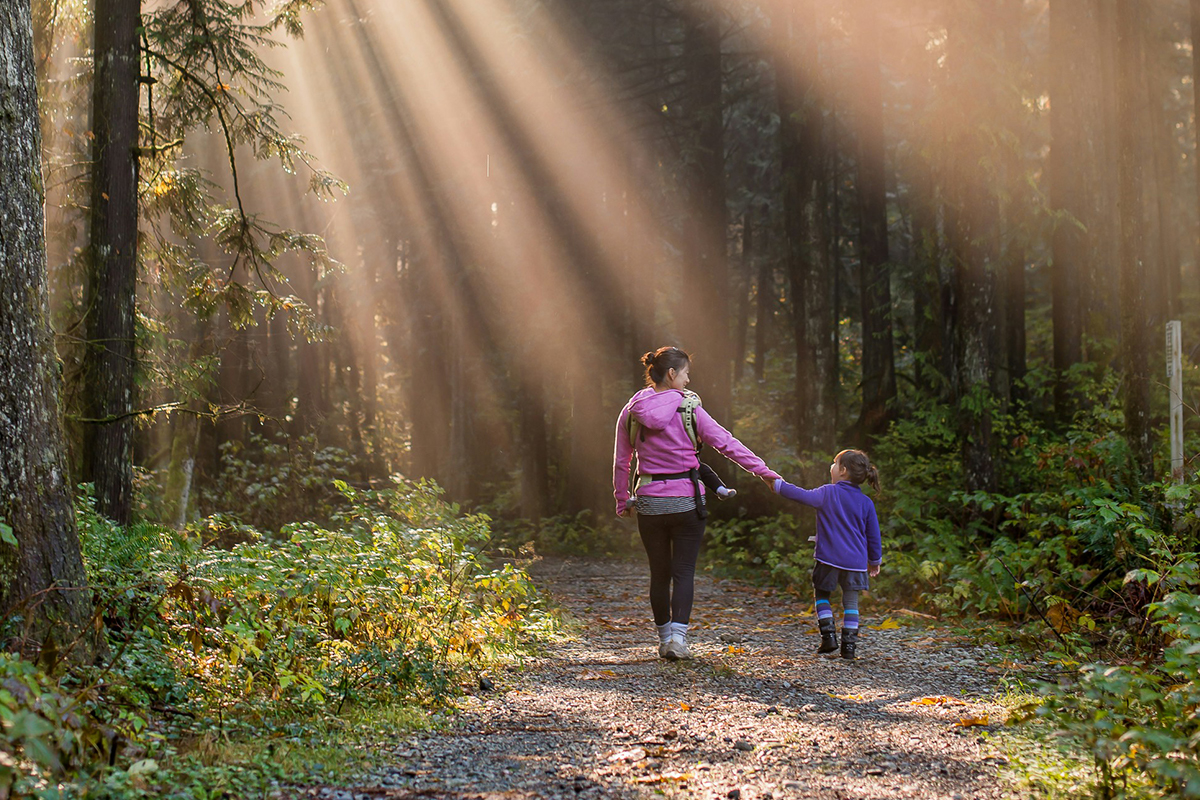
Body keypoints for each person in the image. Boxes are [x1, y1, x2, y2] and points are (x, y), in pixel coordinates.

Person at [613, 346, 780, 660]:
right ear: (673, 374)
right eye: (686, 373)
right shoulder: (689, 408)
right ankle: (678, 640)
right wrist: (764, 473)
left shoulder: (631, 409)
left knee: (658, 574)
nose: (688, 380)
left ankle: (664, 641)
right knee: (684, 572)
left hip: (649, 502)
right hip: (688, 502)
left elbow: (622, 462)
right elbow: (726, 444)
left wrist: (623, 499)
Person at [768, 449, 882, 660]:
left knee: (821, 595)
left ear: (843, 470)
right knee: (851, 603)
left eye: (834, 463)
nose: (831, 467)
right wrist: (874, 561)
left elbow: (801, 495)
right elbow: (873, 535)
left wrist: (777, 485)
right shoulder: (866, 503)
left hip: (829, 558)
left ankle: (828, 637)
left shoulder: (828, 493)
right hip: (855, 563)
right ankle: (849, 647)